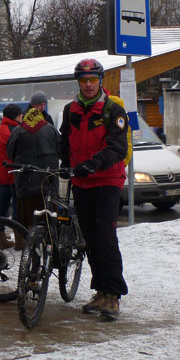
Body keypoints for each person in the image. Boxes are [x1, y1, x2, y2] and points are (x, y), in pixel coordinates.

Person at [59, 58, 129, 319]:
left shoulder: (113, 109)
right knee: (90, 239)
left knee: (105, 237)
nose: (88, 85)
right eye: (83, 81)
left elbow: (117, 147)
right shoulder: (71, 110)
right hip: (81, 182)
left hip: (107, 181)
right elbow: (64, 140)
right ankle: (100, 290)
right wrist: (65, 164)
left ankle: (113, 295)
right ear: (78, 83)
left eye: (92, 80)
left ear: (100, 81)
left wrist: (93, 164)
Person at [6, 98, 61, 250]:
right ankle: (50, 242)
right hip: (47, 181)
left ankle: (25, 242)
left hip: (26, 182)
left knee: (28, 216)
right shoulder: (50, 129)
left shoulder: (18, 130)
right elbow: (61, 150)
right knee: (48, 213)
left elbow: (10, 153)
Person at [0, 104, 23, 249]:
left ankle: (1, 238)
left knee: (2, 206)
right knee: (16, 207)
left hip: (1, 174)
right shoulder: (14, 130)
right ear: (16, 116)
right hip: (13, 174)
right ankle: (19, 240)